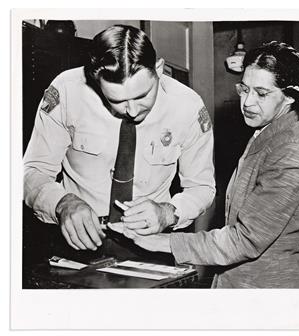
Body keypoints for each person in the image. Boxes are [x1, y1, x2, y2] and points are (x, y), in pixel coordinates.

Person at [117, 41, 299, 288]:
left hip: (269, 291)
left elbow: (245, 240)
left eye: (261, 93)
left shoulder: (289, 151)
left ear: (290, 95)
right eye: (244, 89)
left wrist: (163, 242)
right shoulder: (268, 134)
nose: (247, 102)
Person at [23, 24, 215, 254]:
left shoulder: (188, 106)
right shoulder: (67, 91)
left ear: (159, 69)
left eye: (143, 95)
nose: (132, 111)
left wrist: (167, 212)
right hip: (74, 239)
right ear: (95, 81)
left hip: (151, 243)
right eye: (117, 100)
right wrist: (63, 203)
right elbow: (32, 172)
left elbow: (202, 187)